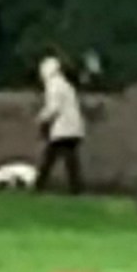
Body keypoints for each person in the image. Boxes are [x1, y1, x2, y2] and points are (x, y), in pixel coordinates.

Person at [35, 56, 85, 194]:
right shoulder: (66, 85)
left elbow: (53, 107)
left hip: (63, 128)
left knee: (50, 157)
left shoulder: (53, 85)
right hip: (74, 127)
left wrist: (41, 118)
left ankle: (39, 186)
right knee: (70, 159)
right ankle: (75, 188)